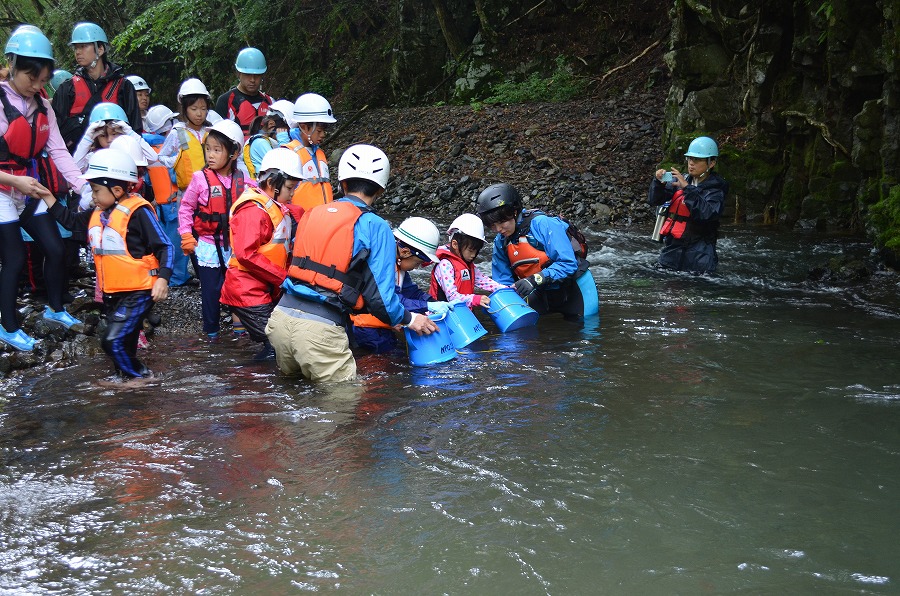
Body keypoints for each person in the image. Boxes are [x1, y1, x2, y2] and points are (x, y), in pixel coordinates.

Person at [265, 143, 438, 382]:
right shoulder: (375, 226)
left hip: (281, 319)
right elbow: (382, 300)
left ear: (342, 183)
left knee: (293, 395)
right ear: (380, 190)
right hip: (320, 329)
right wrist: (410, 319)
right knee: (347, 410)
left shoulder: (312, 214)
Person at [39, 149, 172, 381]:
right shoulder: (98, 212)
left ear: (117, 190)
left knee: (112, 340)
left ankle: (143, 377)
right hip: (113, 292)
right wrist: (46, 196)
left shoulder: (139, 212)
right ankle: (124, 378)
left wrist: (163, 278)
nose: (93, 196)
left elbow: (165, 246)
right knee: (126, 339)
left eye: (96, 190)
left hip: (139, 290)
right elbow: (70, 222)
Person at [0, 26, 88, 351]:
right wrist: (14, 182)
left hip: (28, 188)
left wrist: (82, 185)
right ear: (13, 66)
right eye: (31, 78)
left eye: (42, 79)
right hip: (3, 189)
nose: (38, 86)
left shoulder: (43, 105)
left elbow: (60, 151)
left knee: (55, 247)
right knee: (12, 259)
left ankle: (55, 308)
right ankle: (8, 326)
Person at [221, 148, 305, 360]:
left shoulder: (272, 206)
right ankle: (251, 385)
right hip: (246, 289)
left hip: (261, 287)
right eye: (289, 187)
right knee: (276, 345)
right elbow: (245, 254)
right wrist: (283, 278)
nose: (292, 193)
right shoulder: (253, 210)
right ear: (272, 183)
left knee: (280, 342)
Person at [476, 182, 599, 320]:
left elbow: (568, 263)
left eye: (502, 222)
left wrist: (535, 279)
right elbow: (502, 282)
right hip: (540, 291)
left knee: (585, 333)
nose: (498, 229)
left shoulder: (543, 224)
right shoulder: (501, 241)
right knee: (520, 333)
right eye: (492, 225)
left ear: (514, 211)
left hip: (575, 288)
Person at [177, 119, 246, 338]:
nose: (211, 155)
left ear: (234, 153)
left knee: (236, 286)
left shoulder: (243, 180)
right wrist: (186, 234)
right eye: (208, 149)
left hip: (233, 246)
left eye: (217, 150)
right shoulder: (199, 179)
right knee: (211, 291)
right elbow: (186, 208)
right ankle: (211, 334)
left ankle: (240, 332)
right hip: (207, 245)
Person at [351, 216, 451, 353]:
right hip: (366, 329)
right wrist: (427, 306)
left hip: (380, 326)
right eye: (417, 263)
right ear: (405, 252)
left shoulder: (399, 265)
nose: (417, 268)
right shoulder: (383, 265)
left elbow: (411, 292)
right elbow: (395, 299)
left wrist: (434, 302)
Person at [51, 22, 142, 152]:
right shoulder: (67, 88)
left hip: (117, 157)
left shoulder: (123, 86)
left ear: (100, 49)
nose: (77, 52)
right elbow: (56, 131)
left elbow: (135, 128)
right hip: (77, 161)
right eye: (75, 47)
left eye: (83, 46)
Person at [647, 136, 727, 274]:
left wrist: (687, 188)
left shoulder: (716, 189)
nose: (691, 163)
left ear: (711, 163)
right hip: (673, 250)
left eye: (697, 160)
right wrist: (657, 183)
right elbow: (654, 200)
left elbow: (707, 213)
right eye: (690, 159)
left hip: (699, 254)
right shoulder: (680, 181)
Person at [142, 104, 190, 286]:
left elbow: (147, 180)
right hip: (175, 202)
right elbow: (177, 175)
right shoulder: (170, 148)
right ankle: (177, 277)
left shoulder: (148, 149)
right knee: (177, 243)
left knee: (165, 241)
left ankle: (168, 274)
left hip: (162, 204)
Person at [430, 213, 505, 310]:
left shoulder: (468, 264)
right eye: (470, 250)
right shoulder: (445, 264)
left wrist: (505, 289)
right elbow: (452, 296)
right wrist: (475, 299)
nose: (473, 255)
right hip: (442, 316)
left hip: (460, 314)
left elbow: (485, 282)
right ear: (455, 244)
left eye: (476, 251)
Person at [282, 93, 335, 210]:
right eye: (319, 131)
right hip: (301, 222)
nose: (323, 135)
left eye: (324, 131)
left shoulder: (319, 153)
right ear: (304, 127)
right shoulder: (289, 153)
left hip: (323, 220)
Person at [214, 47, 273, 136]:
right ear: (238, 73)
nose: (252, 80)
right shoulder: (225, 101)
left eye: (256, 75)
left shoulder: (270, 102)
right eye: (247, 75)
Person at [242, 99, 294, 179]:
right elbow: (283, 166)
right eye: (286, 130)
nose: (288, 135)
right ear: (271, 124)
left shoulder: (270, 142)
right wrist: (284, 143)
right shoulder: (260, 142)